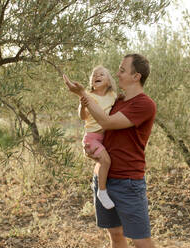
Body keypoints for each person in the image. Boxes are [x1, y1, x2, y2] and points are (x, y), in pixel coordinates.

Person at [64, 54, 156, 248]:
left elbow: (106, 122)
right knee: (115, 235)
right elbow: (98, 129)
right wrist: (93, 151)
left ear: (136, 76)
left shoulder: (144, 104)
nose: (117, 73)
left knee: (141, 241)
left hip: (128, 182)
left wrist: (83, 95)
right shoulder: (117, 101)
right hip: (104, 179)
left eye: (122, 70)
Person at [78, 65, 117, 209]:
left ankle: (99, 185)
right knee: (105, 160)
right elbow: (83, 117)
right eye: (94, 75)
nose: (97, 76)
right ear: (91, 82)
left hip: (104, 137)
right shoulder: (90, 96)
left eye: (101, 74)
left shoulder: (112, 96)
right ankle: (102, 191)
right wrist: (83, 106)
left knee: (103, 161)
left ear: (108, 81)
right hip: (92, 138)